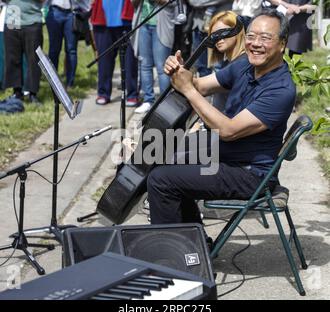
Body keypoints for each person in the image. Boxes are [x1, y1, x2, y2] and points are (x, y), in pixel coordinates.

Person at [147, 10, 296, 230]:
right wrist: (179, 73)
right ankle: (194, 245)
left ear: (282, 44)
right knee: (160, 150)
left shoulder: (281, 90)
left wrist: (188, 89)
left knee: (162, 179)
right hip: (225, 152)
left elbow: (228, 130)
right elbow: (200, 86)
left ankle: (170, 253)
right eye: (251, 36)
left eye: (265, 38)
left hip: (248, 173)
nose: (255, 43)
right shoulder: (246, 63)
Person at [91, 0, 138, 106]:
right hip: (102, 20)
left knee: (129, 60)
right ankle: (103, 93)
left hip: (126, 21)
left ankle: (132, 94)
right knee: (104, 61)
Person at [132, 0, 176, 114]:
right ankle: (148, 100)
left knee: (162, 66)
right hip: (143, 24)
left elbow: (172, 3)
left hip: (161, 25)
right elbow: (134, 4)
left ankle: (165, 102)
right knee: (144, 65)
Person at [3, 0, 44, 103]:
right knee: (12, 59)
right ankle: (17, 92)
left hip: (32, 21)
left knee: (34, 60)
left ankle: (32, 93)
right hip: (12, 19)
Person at [46, 0, 91, 89]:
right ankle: (53, 82)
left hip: (72, 13)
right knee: (54, 50)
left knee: (71, 50)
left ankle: (70, 83)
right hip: (55, 11)